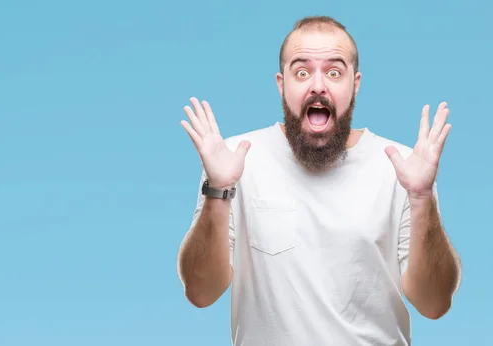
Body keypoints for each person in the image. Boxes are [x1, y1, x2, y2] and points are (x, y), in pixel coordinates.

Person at [176, 15, 462, 346]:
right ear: (281, 85)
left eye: (334, 72)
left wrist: (422, 197)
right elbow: (200, 292)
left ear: (355, 84)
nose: (317, 85)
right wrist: (218, 191)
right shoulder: (235, 163)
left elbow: (434, 303)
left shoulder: (404, 169)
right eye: (301, 72)